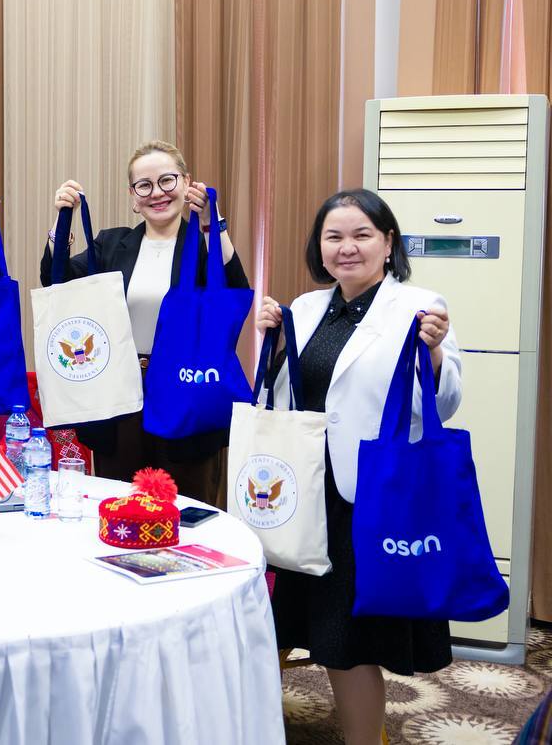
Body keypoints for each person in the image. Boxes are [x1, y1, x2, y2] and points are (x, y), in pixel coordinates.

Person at [257, 188, 461, 745]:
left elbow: (443, 404)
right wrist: (271, 344)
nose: (347, 247)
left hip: (366, 495)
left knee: (348, 640)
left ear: (388, 243)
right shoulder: (304, 308)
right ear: (319, 247)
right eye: (334, 237)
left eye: (361, 235)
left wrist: (434, 354)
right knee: (284, 621)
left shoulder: (420, 306)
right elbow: (282, 399)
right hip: (302, 493)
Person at [37, 140, 249, 505]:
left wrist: (213, 226)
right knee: (120, 505)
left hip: (187, 390)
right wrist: (62, 221)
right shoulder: (111, 244)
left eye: (167, 181)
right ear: (133, 197)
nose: (157, 193)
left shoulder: (204, 246)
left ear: (186, 183)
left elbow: (234, 292)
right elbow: (56, 282)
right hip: (122, 396)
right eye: (144, 185)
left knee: (189, 507)